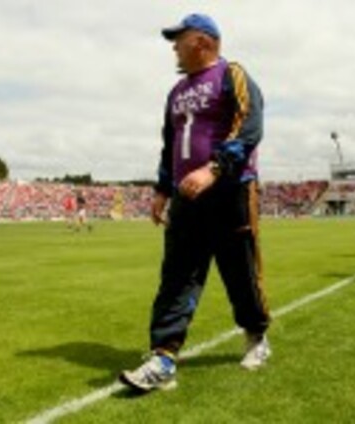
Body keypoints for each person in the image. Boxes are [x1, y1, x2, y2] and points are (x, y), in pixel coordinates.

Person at [119, 13, 270, 392]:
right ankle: (163, 356)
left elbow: (250, 126)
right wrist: (162, 189)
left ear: (202, 41)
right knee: (176, 276)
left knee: (240, 272)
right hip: (186, 197)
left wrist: (214, 168)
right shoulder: (175, 92)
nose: (174, 46)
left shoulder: (231, 74)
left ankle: (256, 335)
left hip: (230, 190)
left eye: (179, 38)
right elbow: (169, 145)